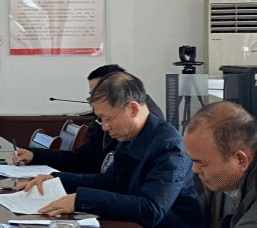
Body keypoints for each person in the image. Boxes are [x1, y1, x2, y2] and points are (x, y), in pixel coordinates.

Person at [21, 72, 206, 228]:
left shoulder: (169, 147)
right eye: (101, 119)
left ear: (132, 109)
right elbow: (109, 182)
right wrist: (57, 180)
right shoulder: (131, 135)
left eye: (107, 119)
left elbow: (151, 209)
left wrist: (81, 200)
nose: (104, 127)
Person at [13, 64, 164, 174]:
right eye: (92, 95)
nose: (105, 126)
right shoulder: (109, 116)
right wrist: (34, 156)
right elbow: (83, 159)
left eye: (97, 94)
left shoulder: (143, 126)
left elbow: (138, 197)